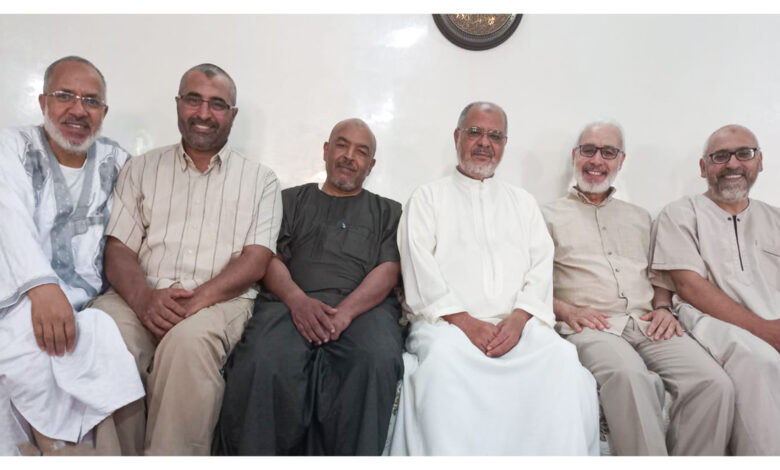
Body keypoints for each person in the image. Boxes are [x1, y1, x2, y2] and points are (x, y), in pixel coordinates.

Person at [89, 63, 282, 455]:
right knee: (104, 331)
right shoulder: (141, 168)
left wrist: (197, 301)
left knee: (187, 344)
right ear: (178, 104)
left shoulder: (261, 180)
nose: (204, 113)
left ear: (232, 114)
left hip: (219, 301)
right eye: (194, 100)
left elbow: (256, 258)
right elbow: (119, 247)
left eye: (217, 104)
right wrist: (144, 299)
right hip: (144, 293)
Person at [389, 102, 599, 456]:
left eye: (495, 136)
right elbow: (418, 268)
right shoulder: (427, 198)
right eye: (475, 132)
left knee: (561, 360)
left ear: (504, 144)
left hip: (517, 325)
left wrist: (518, 320)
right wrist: (466, 322)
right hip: (447, 326)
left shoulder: (523, 202)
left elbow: (540, 267)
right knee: (442, 364)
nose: (484, 142)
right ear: (457, 137)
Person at [212, 118, 403, 456]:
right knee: (264, 359)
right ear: (326, 150)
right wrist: (297, 301)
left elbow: (388, 270)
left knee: (375, 359)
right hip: (288, 303)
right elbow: (269, 257)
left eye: (361, 152)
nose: (349, 156)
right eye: (341, 145)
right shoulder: (289, 201)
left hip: (363, 310)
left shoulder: (388, 211)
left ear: (371, 165)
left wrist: (345, 313)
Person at [541, 121, 734, 455]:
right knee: (630, 377)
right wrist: (566, 310)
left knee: (714, 383)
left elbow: (659, 277)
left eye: (608, 152)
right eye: (588, 150)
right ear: (575, 156)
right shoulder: (545, 216)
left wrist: (663, 308)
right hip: (591, 325)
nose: (597, 160)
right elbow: (531, 280)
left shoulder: (640, 217)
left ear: (621, 161)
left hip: (647, 324)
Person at [0, 56, 143, 455]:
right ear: (43, 102)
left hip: (87, 300)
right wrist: (42, 288)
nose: (78, 110)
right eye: (65, 96)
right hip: (18, 292)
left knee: (97, 333)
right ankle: (55, 448)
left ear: (104, 113)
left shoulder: (118, 161)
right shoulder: (12, 147)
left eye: (91, 101)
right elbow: (8, 217)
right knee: (27, 337)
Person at [651, 124, 780, 455]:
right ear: (703, 166)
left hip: (772, 319)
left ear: (760, 161)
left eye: (744, 153)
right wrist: (764, 330)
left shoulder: (776, 219)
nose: (733, 163)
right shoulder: (680, 214)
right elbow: (689, 286)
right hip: (710, 320)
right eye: (720, 156)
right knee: (759, 360)